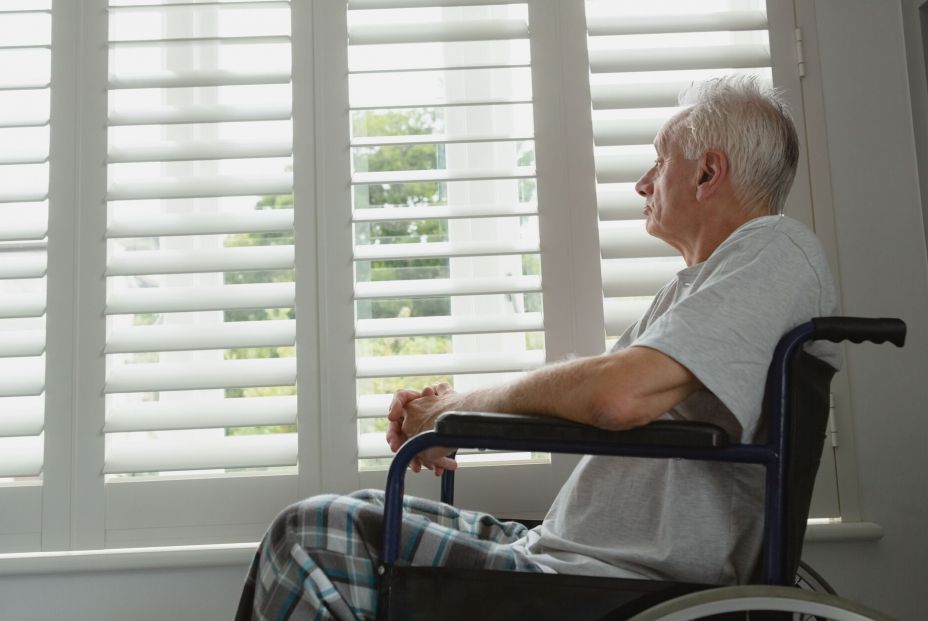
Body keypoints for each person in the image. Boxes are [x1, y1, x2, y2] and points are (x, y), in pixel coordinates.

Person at [236, 75, 839, 621]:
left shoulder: (774, 251)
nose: (641, 183)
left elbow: (615, 399)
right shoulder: (712, 281)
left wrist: (452, 411)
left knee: (313, 536)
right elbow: (601, 394)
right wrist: (459, 413)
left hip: (614, 581)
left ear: (707, 173)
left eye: (659, 162)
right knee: (351, 513)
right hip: (564, 556)